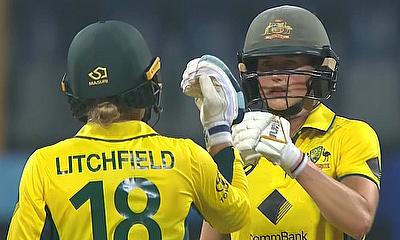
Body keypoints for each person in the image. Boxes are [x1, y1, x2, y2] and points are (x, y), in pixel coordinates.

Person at [6, 20, 251, 239]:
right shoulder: (185, 157)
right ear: (147, 86)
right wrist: (218, 131)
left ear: (74, 94)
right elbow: (234, 217)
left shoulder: (44, 165)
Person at [186, 5, 381, 240]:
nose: (277, 77)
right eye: (267, 67)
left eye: (290, 65)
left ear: (319, 70)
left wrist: (293, 160)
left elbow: (359, 220)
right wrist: (221, 144)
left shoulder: (351, 134)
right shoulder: (239, 142)